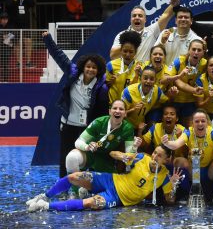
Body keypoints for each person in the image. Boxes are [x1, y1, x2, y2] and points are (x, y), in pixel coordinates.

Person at [27, 145, 182, 212]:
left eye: (159, 155)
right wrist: (123, 156)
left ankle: (44, 206)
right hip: (110, 179)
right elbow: (112, 154)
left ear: (166, 160)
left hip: (117, 197)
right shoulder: (141, 158)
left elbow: (170, 201)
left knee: (89, 204)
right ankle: (44, 196)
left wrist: (174, 185)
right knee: (74, 176)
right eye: (154, 152)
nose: (154, 156)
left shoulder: (164, 178)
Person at [42, 32, 108, 178]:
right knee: (65, 157)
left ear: (98, 71)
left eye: (94, 68)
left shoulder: (101, 86)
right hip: (67, 125)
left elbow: (102, 109)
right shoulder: (73, 73)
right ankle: (64, 184)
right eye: (88, 66)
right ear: (83, 67)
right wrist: (48, 39)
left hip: (86, 128)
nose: (90, 70)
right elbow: (59, 56)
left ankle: (83, 185)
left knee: (84, 158)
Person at [162, 109, 213, 204]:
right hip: (193, 171)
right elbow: (175, 144)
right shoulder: (189, 132)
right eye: (197, 121)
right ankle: (186, 194)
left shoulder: (211, 132)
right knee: (178, 161)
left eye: (203, 121)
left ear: (207, 123)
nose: (200, 124)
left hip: (209, 171)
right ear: (192, 123)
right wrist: (167, 143)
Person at [65, 100, 136, 177]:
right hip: (90, 154)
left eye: (121, 109)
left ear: (125, 113)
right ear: (109, 111)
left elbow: (129, 155)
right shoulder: (99, 122)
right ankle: (77, 188)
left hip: (107, 159)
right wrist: (87, 147)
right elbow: (78, 142)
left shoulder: (128, 128)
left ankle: (88, 184)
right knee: (72, 158)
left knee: (107, 186)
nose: (117, 111)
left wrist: (135, 147)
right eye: (115, 108)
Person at [110, 0, 184, 61]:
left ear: (145, 20)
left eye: (140, 16)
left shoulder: (152, 31)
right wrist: (130, 41)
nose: (137, 17)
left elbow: (166, 15)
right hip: (129, 72)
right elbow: (113, 55)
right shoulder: (122, 35)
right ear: (130, 19)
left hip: (147, 71)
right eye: (134, 16)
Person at [164, 39, 207, 127]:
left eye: (199, 50)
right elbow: (166, 77)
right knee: (171, 128)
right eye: (193, 49)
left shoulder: (205, 64)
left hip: (190, 102)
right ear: (189, 50)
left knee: (190, 128)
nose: (196, 52)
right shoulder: (179, 61)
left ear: (203, 53)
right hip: (175, 99)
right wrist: (178, 76)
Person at [121, 66, 172, 132]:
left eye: (151, 79)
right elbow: (121, 115)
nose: (148, 81)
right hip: (125, 126)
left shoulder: (157, 90)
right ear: (140, 79)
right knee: (128, 142)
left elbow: (167, 102)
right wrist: (133, 109)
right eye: (145, 78)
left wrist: (171, 95)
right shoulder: (128, 92)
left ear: (155, 81)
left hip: (141, 126)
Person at [106, 31, 142, 105]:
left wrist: (137, 75)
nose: (127, 54)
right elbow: (105, 87)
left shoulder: (140, 67)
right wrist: (110, 83)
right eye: (125, 51)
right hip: (114, 107)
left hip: (131, 106)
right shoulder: (111, 65)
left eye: (131, 52)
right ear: (120, 50)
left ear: (136, 52)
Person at [5, 0, 35, 68]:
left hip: (25, 23)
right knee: (16, 43)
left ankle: (28, 62)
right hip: (14, 24)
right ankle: (18, 63)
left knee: (28, 41)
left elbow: (32, 4)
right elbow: (8, 5)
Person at [0, 12, 15, 82]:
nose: (4, 20)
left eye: (6, 19)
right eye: (3, 19)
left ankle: (5, 81)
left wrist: (4, 37)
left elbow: (12, 36)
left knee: (6, 65)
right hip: (2, 46)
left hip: (6, 48)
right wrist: (5, 37)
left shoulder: (11, 26)